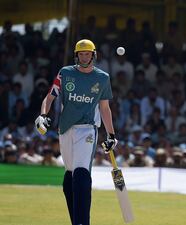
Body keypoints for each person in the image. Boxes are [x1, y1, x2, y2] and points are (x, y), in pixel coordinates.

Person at [34, 39, 117, 225]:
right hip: (65, 129)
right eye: (81, 54)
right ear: (76, 55)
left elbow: (105, 108)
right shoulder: (65, 73)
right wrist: (43, 115)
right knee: (69, 176)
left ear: (93, 55)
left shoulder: (102, 78)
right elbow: (50, 97)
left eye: (88, 54)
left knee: (81, 173)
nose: (84, 57)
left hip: (87, 129)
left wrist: (111, 135)